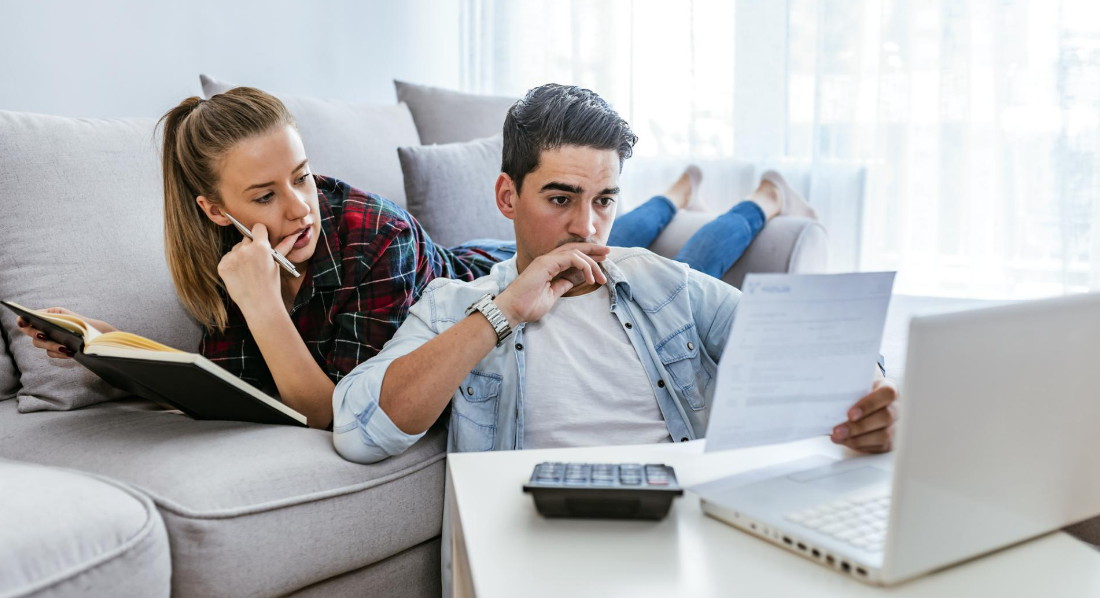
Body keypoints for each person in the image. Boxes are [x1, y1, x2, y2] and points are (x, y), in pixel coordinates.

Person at [13, 86, 805, 430]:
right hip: (479, 265)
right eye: (265, 198)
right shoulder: (227, 260)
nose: (298, 208)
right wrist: (101, 355)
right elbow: (235, 386)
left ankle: (747, 202)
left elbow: (326, 410)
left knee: (635, 252)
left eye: (301, 176)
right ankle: (668, 195)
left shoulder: (372, 237)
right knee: (609, 237)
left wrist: (262, 305)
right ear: (214, 212)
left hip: (477, 268)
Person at [331, 83, 897, 464]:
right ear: (508, 196)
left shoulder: (661, 282)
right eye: (560, 199)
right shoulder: (454, 305)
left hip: (678, 527)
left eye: (604, 200)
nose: (587, 226)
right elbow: (359, 433)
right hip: (531, 544)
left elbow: (803, 341)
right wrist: (502, 314)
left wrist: (870, 387)